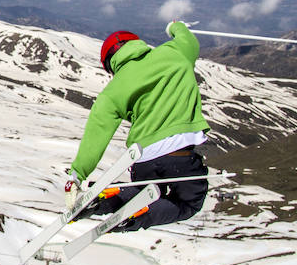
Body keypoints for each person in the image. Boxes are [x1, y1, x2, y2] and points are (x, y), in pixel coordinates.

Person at [65, 21, 211, 231]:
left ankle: (102, 201)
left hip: (143, 158)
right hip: (179, 153)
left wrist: (77, 175)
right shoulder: (174, 53)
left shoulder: (113, 90)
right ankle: (138, 217)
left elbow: (96, 134)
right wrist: (175, 26)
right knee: (189, 203)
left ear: (111, 64)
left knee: (143, 193)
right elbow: (189, 41)